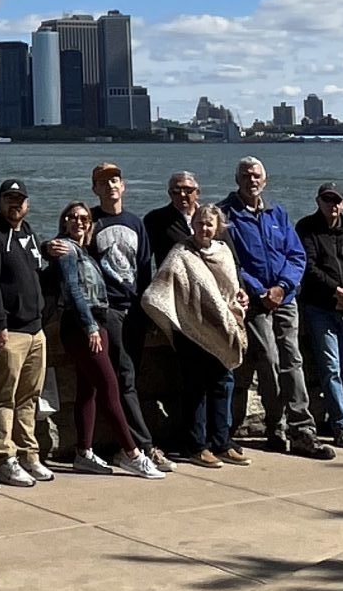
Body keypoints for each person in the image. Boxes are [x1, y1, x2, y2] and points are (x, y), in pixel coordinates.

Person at [223, 159, 331, 461]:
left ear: (265, 181)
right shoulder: (226, 215)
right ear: (237, 180)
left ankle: (302, 430)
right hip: (254, 301)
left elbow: (296, 255)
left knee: (292, 360)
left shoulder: (277, 213)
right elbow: (231, 262)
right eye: (245, 175)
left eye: (256, 175)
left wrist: (283, 287)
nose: (251, 180)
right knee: (268, 360)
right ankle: (276, 428)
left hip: (285, 298)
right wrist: (260, 290)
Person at [46, 202, 159, 476]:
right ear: (64, 222)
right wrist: (90, 328)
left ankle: (84, 452)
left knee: (89, 389)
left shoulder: (83, 250)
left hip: (96, 322)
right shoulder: (66, 249)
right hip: (83, 326)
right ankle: (132, 454)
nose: (79, 222)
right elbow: (72, 290)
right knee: (110, 387)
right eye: (72, 217)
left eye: (84, 218)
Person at [140, 205, 247, 469]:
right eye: (200, 223)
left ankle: (222, 442)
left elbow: (231, 287)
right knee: (195, 388)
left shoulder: (223, 252)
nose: (204, 228)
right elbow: (161, 288)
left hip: (221, 329)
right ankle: (196, 446)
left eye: (210, 224)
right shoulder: (181, 253)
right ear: (193, 224)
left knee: (224, 383)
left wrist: (237, 303)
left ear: (218, 227)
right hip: (190, 331)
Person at [89, 164, 166, 471]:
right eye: (103, 182)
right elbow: (69, 247)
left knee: (127, 377)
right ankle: (141, 447)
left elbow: (145, 269)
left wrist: (147, 311)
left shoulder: (135, 223)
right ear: (95, 189)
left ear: (124, 187)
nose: (110, 186)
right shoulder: (90, 221)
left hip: (133, 310)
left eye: (115, 180)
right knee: (125, 378)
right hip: (107, 312)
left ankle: (129, 445)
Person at [0, 178, 50, 486]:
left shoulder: (28, 232)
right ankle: (4, 457)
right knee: (4, 396)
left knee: (30, 396)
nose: (15, 204)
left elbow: (37, 269)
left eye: (19, 199)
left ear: (27, 204)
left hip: (37, 330)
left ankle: (29, 454)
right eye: (9, 198)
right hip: (11, 331)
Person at [294, 184, 343, 448]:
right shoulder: (306, 228)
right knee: (331, 368)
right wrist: (336, 292)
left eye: (336, 201)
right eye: (327, 200)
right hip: (320, 308)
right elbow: (308, 267)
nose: (332, 205)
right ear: (318, 201)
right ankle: (341, 424)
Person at [140, 173, 202, 455]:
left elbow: (227, 256)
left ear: (197, 192)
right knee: (189, 373)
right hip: (177, 306)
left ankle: (219, 437)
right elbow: (144, 263)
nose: (183, 195)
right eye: (177, 190)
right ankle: (193, 440)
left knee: (219, 374)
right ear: (169, 193)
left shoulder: (209, 217)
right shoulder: (156, 220)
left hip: (211, 307)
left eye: (188, 190)